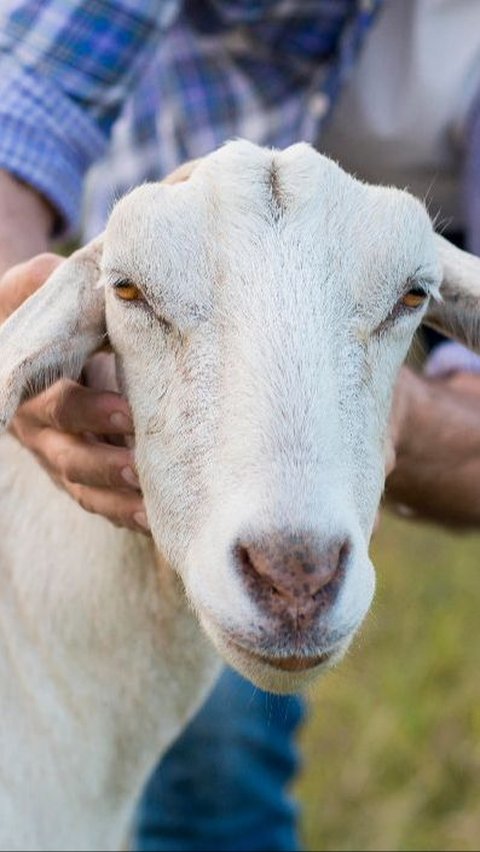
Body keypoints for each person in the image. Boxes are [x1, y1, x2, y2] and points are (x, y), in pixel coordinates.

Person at [1, 2, 480, 850]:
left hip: (306, 404)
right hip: (128, 356)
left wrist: (374, 403)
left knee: (222, 778)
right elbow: (25, 106)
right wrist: (24, 305)